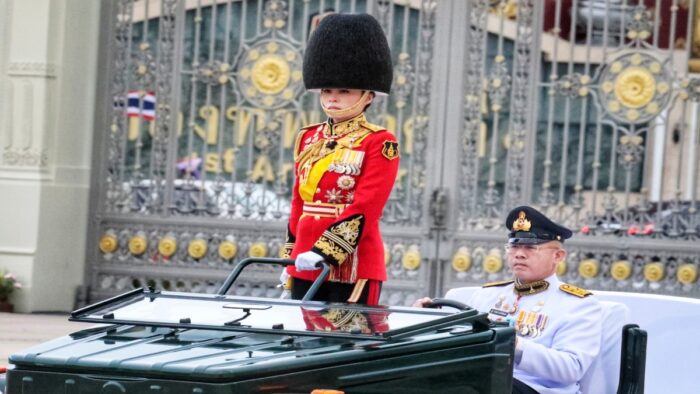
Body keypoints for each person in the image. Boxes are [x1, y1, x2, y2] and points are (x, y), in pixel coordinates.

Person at [414, 206, 603, 394]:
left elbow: (571, 368)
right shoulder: (487, 295)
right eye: (514, 246)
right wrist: (428, 320)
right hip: (482, 381)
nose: (519, 254)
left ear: (558, 256)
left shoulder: (579, 304)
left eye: (530, 247)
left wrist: (515, 345)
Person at [280, 13, 399, 305]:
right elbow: (298, 203)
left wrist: (325, 252)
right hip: (304, 262)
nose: (333, 97)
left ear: (367, 96)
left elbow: (366, 207)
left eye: (344, 91)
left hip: (352, 264)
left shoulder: (380, 141)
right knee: (300, 344)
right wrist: (289, 257)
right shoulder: (308, 138)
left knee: (345, 344)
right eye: (328, 90)